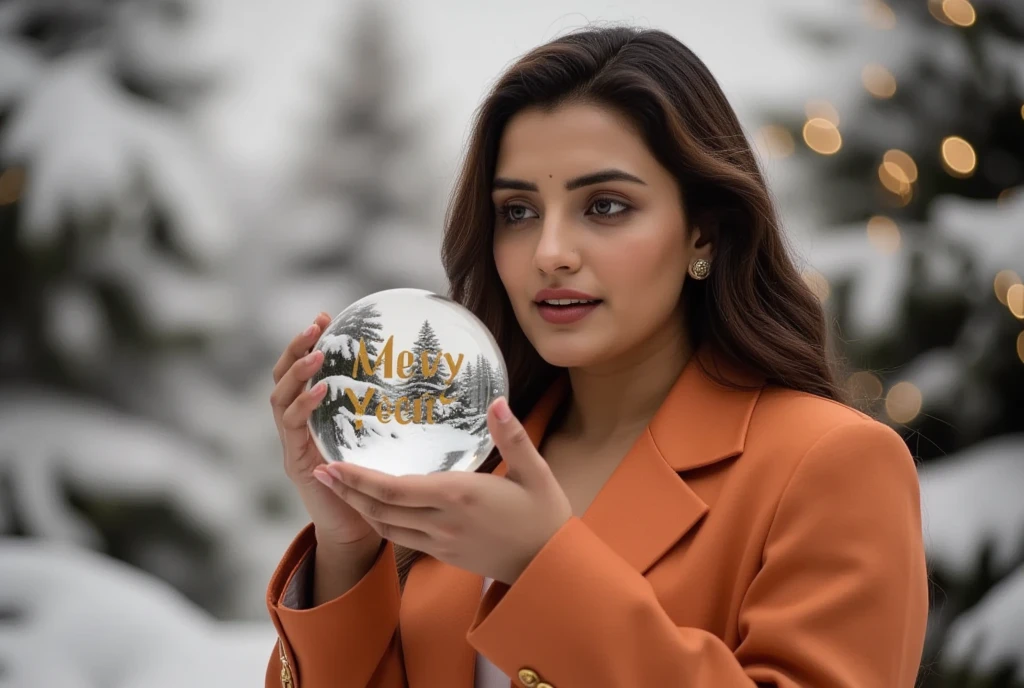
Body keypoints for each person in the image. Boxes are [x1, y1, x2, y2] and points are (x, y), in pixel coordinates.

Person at [263, 25, 929, 688]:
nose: (550, 252)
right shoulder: (470, 460)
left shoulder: (831, 464)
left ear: (704, 232)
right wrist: (347, 548)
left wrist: (545, 565)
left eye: (605, 206)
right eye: (518, 211)